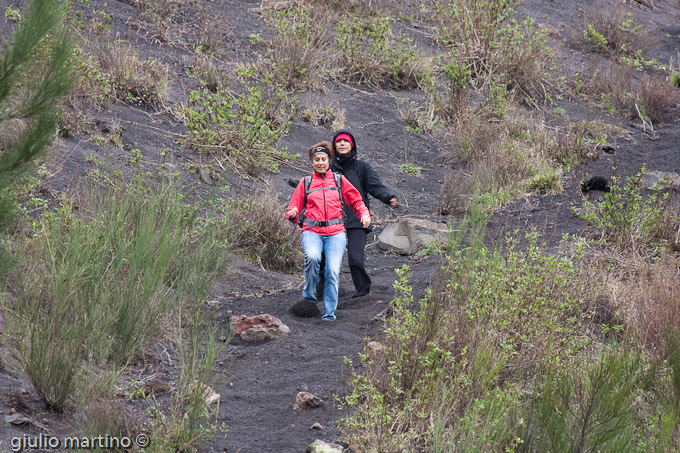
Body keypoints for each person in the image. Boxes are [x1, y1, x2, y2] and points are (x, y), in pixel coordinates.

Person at [286, 141, 370, 321]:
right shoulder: (306, 182)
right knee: (313, 257)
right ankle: (309, 295)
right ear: (312, 162)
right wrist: (292, 214)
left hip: (335, 232)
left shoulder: (339, 180)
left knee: (332, 270)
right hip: (312, 231)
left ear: (329, 160)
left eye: (323, 159)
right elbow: (292, 209)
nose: (320, 162)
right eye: (317, 159)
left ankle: (329, 313)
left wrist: (364, 213)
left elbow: (356, 200)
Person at [321, 128, 397, 299]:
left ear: (352, 145)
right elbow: (315, 189)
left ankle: (362, 293)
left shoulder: (362, 167)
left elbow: (375, 186)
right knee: (324, 258)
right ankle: (320, 292)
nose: (342, 144)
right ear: (334, 145)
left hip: (357, 219)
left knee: (355, 258)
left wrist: (389, 197)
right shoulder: (327, 167)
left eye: (346, 141)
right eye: (339, 141)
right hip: (332, 219)